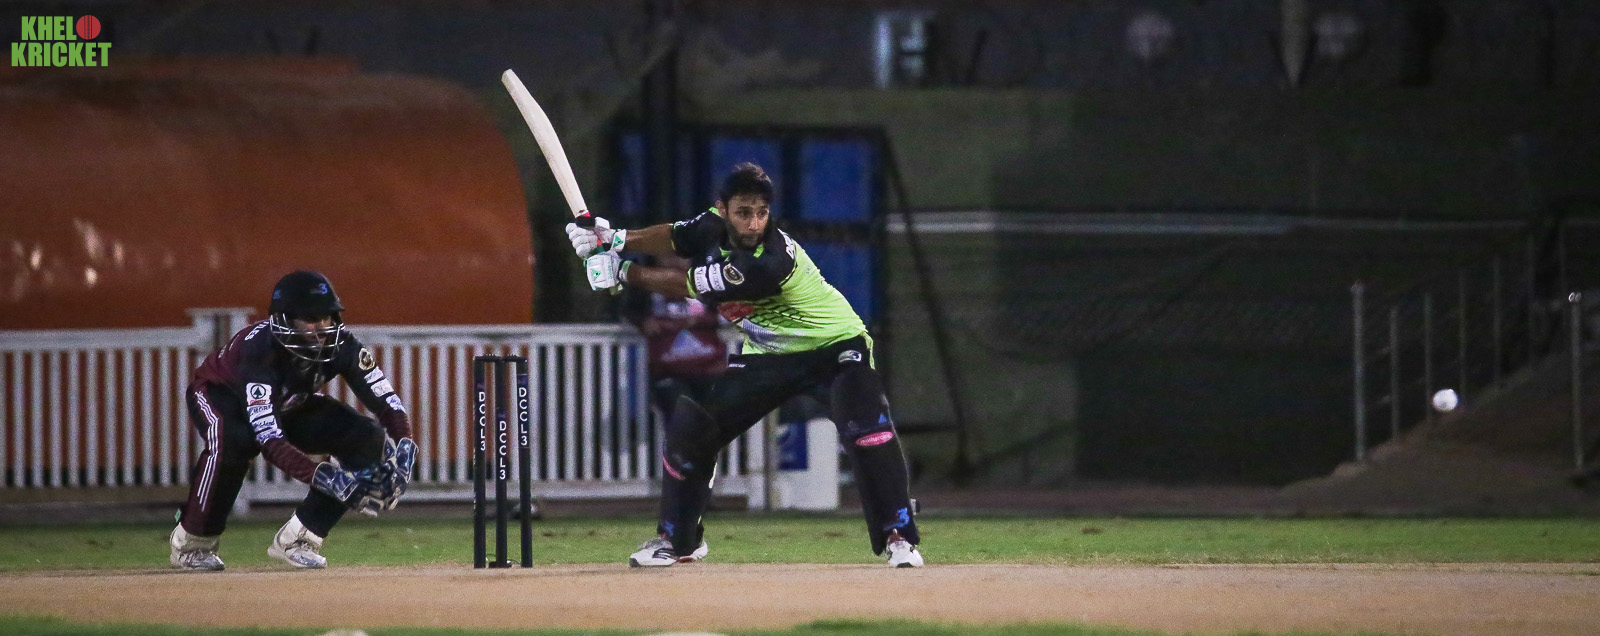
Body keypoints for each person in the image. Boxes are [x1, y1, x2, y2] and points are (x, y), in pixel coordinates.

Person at [566, 162, 923, 568]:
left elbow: (687, 284)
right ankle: (678, 541)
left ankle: (899, 537)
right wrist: (615, 237)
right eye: (743, 213)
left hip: (834, 346)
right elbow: (676, 236)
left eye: (761, 213)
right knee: (692, 428)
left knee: (866, 427)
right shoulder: (712, 224)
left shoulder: (769, 260)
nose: (753, 224)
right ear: (722, 209)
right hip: (768, 354)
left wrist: (622, 270)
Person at [169, 270, 417, 571]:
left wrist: (405, 445)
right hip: (221, 395)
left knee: (365, 437)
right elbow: (268, 439)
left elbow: (386, 399)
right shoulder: (259, 352)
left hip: (287, 402)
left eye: (327, 317)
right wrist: (323, 476)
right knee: (234, 441)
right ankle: (193, 540)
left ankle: (300, 537)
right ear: (284, 319)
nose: (321, 327)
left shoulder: (343, 345)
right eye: (310, 319)